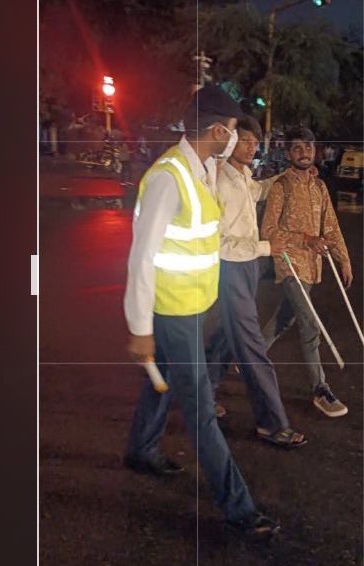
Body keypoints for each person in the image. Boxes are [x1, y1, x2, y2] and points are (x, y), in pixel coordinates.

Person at [123, 85, 279, 536]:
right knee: (201, 410)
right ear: (215, 130)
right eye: (232, 130)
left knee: (162, 384)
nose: (236, 137)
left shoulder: (203, 168)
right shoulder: (169, 178)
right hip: (171, 312)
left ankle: (141, 449)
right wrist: (139, 328)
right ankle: (240, 509)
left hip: (192, 305)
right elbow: (142, 257)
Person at [205, 115, 307, 449]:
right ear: (232, 141)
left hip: (247, 266)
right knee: (251, 346)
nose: (252, 147)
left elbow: (260, 191)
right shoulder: (218, 181)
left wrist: (288, 175)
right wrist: (266, 247)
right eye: (246, 140)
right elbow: (218, 243)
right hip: (231, 267)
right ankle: (272, 423)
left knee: (225, 335)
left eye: (255, 141)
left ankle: (201, 396)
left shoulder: (243, 176)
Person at [260, 127, 353, 418]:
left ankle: (248, 355)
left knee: (284, 319)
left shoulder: (319, 187)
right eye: (297, 147)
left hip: (313, 267)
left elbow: (331, 226)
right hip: (289, 263)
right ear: (288, 153)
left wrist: (344, 259)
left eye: (308, 146)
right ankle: (320, 390)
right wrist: (306, 240)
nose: (304, 151)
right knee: (311, 325)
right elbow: (269, 231)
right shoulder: (281, 187)